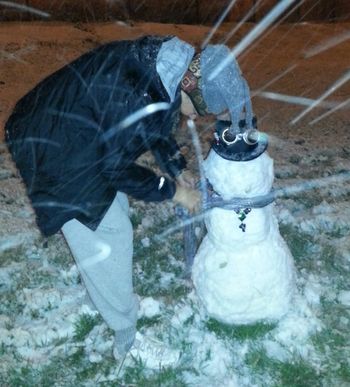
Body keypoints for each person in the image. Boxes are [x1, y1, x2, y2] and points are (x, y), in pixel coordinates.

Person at [5, 35, 250, 368]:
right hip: (54, 145)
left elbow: (152, 124)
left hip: (58, 129)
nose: (196, 119)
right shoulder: (139, 90)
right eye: (203, 108)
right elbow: (115, 169)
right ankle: (127, 341)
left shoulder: (162, 69)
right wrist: (175, 192)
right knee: (109, 232)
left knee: (108, 216)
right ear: (191, 83)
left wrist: (177, 169)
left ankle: (100, 294)